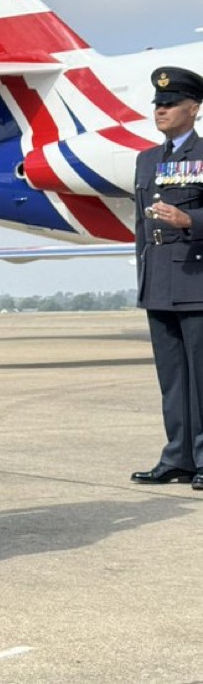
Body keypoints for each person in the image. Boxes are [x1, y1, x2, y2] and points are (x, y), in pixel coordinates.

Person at [130, 66, 203, 490]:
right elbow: (142, 227)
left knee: (201, 376)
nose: (161, 110)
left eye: (171, 103)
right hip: (158, 280)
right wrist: (144, 277)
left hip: (195, 279)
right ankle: (178, 457)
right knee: (172, 378)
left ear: (194, 108)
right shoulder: (146, 160)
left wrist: (190, 219)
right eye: (157, 103)